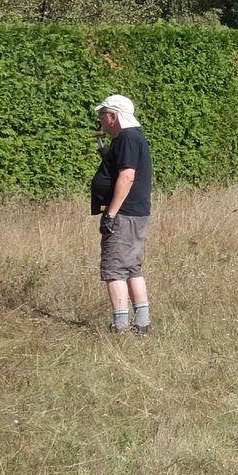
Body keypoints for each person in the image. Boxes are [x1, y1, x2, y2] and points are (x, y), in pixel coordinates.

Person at [89, 93, 154, 332]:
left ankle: (120, 326)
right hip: (136, 212)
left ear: (113, 116)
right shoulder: (132, 137)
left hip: (124, 214)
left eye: (102, 116)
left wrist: (110, 214)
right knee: (131, 268)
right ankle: (142, 323)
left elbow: (127, 176)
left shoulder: (126, 138)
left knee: (114, 269)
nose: (101, 121)